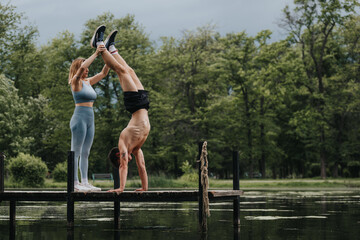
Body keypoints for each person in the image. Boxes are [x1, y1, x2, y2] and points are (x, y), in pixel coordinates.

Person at [91, 25, 150, 193]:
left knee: (121, 71)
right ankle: (111, 48)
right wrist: (144, 188)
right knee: (129, 70)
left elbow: (123, 166)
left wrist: (120, 188)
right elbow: (142, 166)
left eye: (123, 158)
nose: (127, 160)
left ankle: (99, 45)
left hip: (135, 105)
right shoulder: (137, 148)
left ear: (119, 155)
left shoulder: (123, 141)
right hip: (143, 104)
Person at [68, 25, 110, 192]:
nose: (87, 70)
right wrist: (95, 53)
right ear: (80, 68)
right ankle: (74, 182)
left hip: (90, 118)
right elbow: (80, 69)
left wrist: (107, 53)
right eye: (85, 68)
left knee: (86, 152)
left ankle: (84, 182)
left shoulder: (88, 82)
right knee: (76, 152)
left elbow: (104, 73)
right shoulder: (76, 81)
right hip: (79, 118)